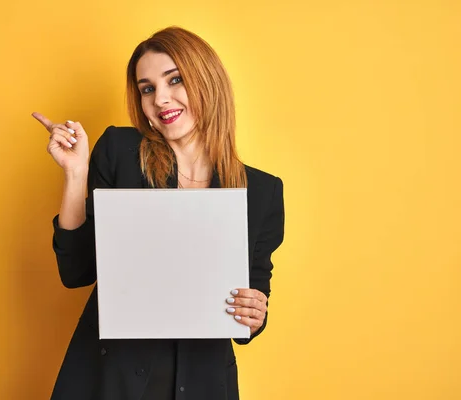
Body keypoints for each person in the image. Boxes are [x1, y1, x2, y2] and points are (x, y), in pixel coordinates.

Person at [32, 26, 285, 400]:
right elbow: (76, 272)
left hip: (203, 383)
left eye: (175, 80)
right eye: (147, 88)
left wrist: (255, 312)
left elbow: (247, 316)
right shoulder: (120, 151)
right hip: (108, 380)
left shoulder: (261, 191)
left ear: (208, 82)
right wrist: (75, 173)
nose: (160, 99)